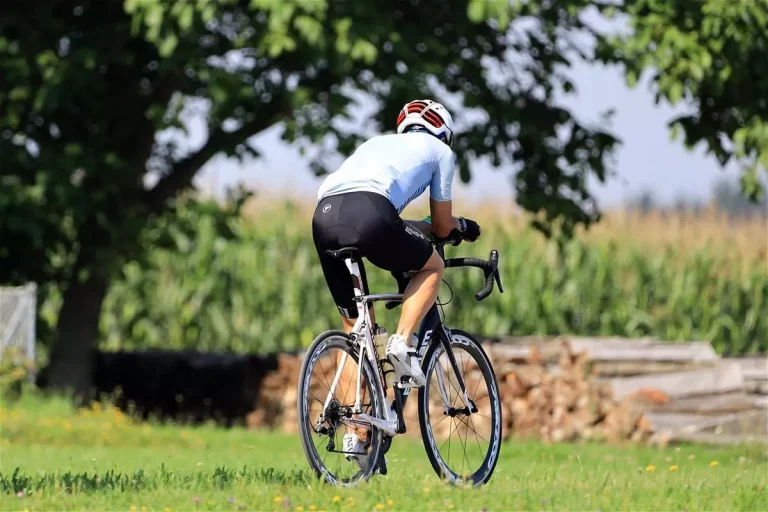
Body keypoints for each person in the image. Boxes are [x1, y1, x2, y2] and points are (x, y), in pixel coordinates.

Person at [311, 99, 481, 467]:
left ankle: (356, 433)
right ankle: (402, 343)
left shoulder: (377, 145)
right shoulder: (440, 151)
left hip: (325, 216)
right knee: (432, 268)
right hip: (372, 213)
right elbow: (441, 226)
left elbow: (389, 221)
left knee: (356, 328)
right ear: (444, 132)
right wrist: (464, 228)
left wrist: (412, 228)